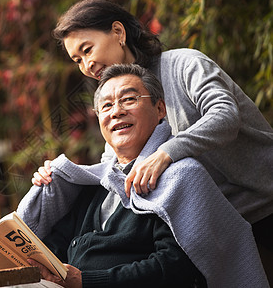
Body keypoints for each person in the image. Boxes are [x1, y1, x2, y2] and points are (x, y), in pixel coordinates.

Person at [31, 0, 273, 277]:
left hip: (266, 198)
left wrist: (166, 153)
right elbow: (114, 171)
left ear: (118, 33)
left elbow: (224, 115)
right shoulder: (118, 106)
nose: (87, 65)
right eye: (78, 60)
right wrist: (58, 175)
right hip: (220, 227)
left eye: (87, 50)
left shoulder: (184, 64)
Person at [16, 64, 268, 287]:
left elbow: (175, 268)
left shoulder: (181, 177)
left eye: (128, 100)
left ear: (160, 109)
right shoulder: (95, 183)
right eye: (106, 105)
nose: (116, 111)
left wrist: (85, 281)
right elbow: (56, 245)